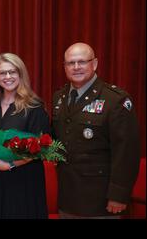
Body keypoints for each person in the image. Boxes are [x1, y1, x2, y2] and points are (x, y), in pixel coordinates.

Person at [52, 42, 140, 218]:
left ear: (95, 64)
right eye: (70, 63)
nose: (76, 67)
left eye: (82, 61)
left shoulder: (115, 100)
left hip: (100, 201)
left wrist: (118, 195)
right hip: (68, 198)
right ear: (64, 67)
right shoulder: (59, 97)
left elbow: (127, 152)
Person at [0, 53, 49, 219]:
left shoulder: (34, 107)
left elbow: (42, 148)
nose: (7, 77)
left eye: (12, 72)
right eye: (2, 73)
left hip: (23, 184)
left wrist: (9, 165)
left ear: (20, 74)